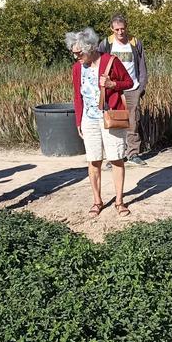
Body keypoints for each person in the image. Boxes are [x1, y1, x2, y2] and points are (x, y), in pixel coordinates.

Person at [66, 27, 133, 217]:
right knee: (93, 161)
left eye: (79, 53)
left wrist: (113, 84)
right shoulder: (78, 68)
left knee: (116, 159)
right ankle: (97, 201)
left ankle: (119, 201)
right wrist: (79, 120)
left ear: (90, 49)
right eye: (74, 53)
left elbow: (129, 83)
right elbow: (77, 96)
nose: (76, 57)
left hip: (110, 118)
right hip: (89, 120)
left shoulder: (111, 62)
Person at [98, 14, 148, 167]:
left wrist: (141, 86)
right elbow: (99, 63)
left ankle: (133, 153)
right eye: (117, 29)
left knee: (133, 120)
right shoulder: (106, 43)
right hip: (113, 88)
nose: (120, 32)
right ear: (112, 29)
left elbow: (142, 66)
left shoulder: (135, 43)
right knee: (113, 121)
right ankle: (114, 156)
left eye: (123, 29)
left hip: (132, 87)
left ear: (126, 27)